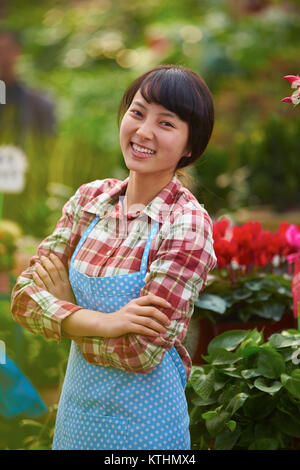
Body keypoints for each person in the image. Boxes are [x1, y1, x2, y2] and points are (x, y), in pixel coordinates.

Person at [10, 64, 217, 450]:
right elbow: (23, 299)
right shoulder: (91, 201)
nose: (143, 131)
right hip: (75, 421)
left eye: (166, 123)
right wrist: (104, 323)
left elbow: (142, 351)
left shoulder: (187, 224)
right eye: (137, 112)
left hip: (145, 432)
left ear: (190, 146)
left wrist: (64, 312)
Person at [0, 30, 55, 141]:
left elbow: (47, 144)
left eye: (5, 50)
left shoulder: (38, 103)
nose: (3, 58)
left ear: (17, 52)